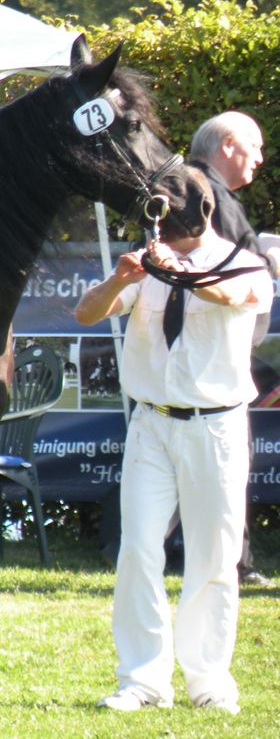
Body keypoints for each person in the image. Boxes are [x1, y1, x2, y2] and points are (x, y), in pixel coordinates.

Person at [75, 206, 273, 716]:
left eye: (167, 224)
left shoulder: (244, 264)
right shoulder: (145, 264)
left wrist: (177, 271)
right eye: (153, 223)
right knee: (138, 548)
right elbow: (86, 313)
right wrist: (123, 276)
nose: (156, 233)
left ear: (202, 217)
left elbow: (225, 295)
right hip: (152, 424)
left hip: (217, 425)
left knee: (213, 555)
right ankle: (142, 680)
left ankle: (209, 680)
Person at [190, 111, 274, 587]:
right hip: (212, 360)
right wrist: (269, 259)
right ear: (226, 145)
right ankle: (233, 565)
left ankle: (234, 561)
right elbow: (231, 267)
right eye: (254, 146)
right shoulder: (208, 193)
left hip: (211, 356)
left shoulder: (205, 191)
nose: (260, 158)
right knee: (223, 466)